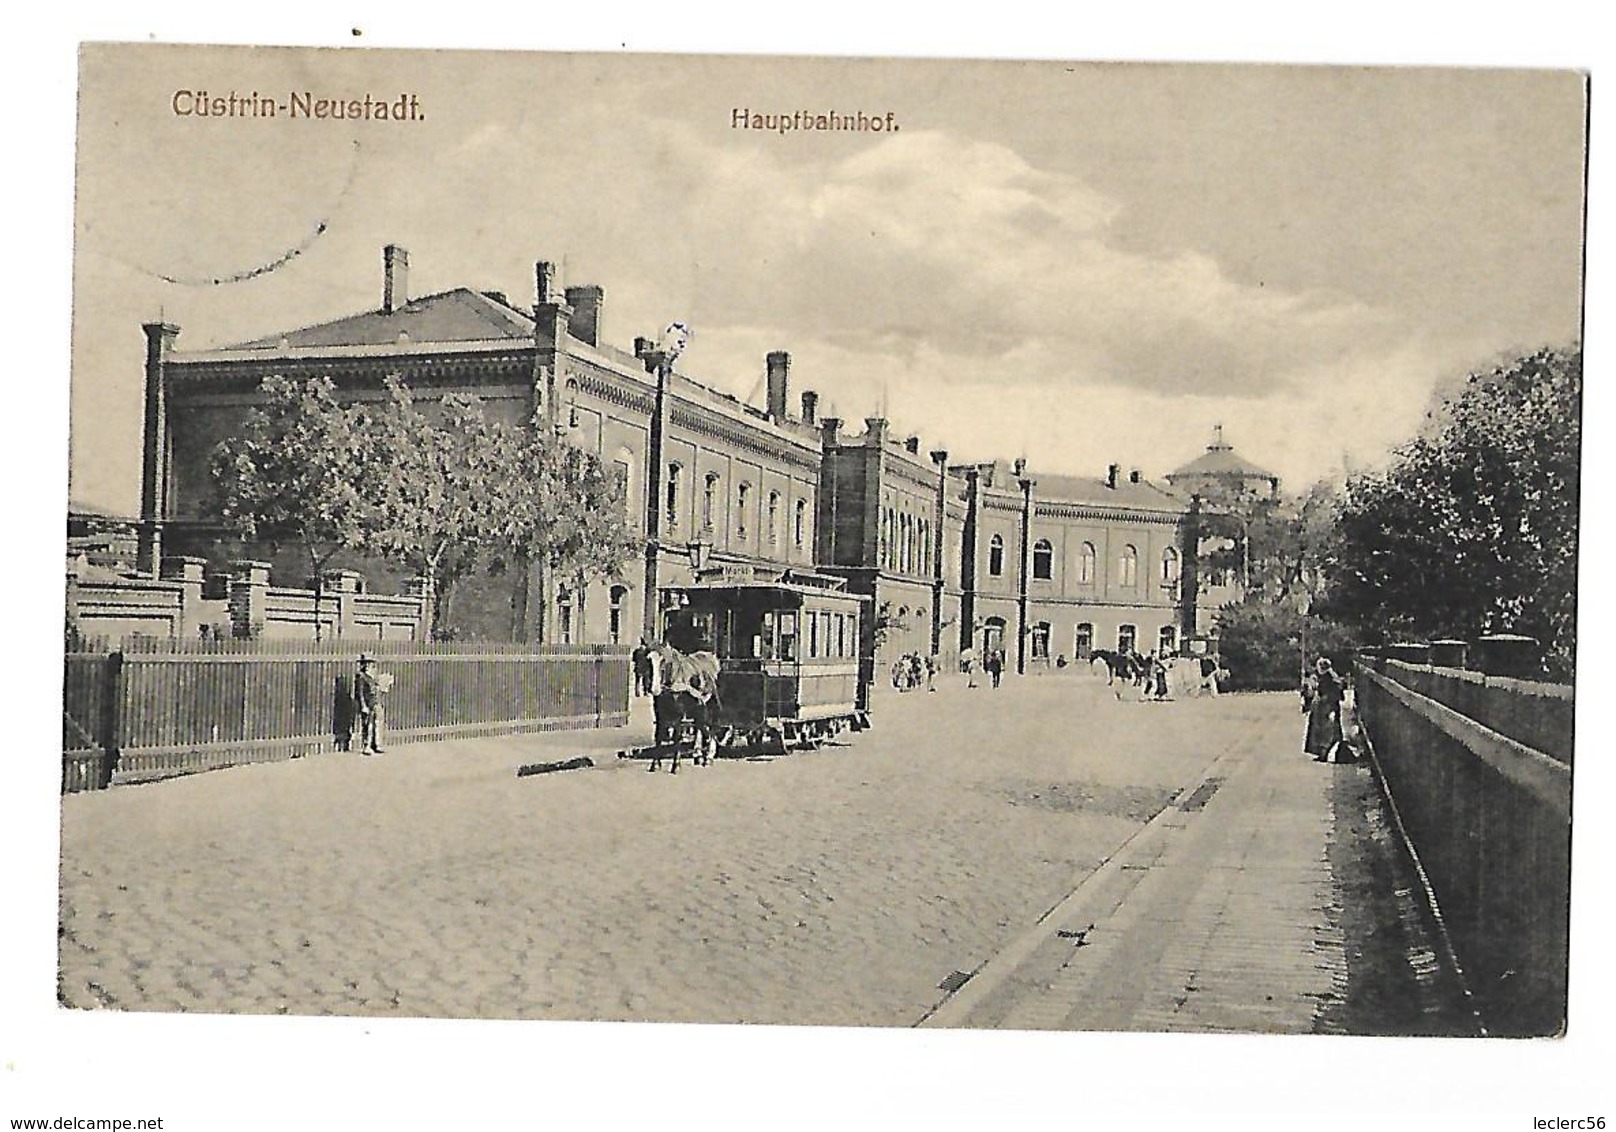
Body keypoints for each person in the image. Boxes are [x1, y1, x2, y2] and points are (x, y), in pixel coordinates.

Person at [1302, 656, 1346, 761]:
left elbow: (1338, 690)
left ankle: (1325, 754)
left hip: (1329, 706)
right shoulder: (1327, 676)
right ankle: (1323, 754)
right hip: (1324, 706)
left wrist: (1329, 697)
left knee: (1328, 731)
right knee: (1323, 731)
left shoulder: (1331, 676)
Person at [354, 652, 387, 755]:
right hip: (368, 703)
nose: (369, 665)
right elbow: (359, 693)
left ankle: (376, 744)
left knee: (378, 723)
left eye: (370, 663)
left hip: (376, 702)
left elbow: (378, 689)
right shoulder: (361, 676)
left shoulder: (373, 676)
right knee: (368, 725)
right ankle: (366, 745)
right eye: (366, 663)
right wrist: (363, 705)